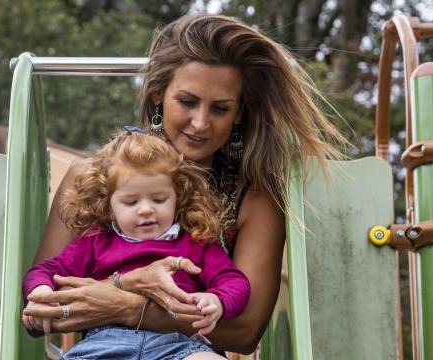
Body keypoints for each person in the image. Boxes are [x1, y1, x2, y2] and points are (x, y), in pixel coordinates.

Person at [23, 14, 346, 354]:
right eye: (188, 102)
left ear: (239, 113)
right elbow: (37, 311)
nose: (200, 123)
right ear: (159, 94)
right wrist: (127, 282)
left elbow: (245, 331)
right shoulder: (92, 178)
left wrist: (129, 307)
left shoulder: (253, 198)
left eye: (220, 108)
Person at [23, 130, 251, 359]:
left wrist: (217, 300)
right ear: (110, 208)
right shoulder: (94, 242)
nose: (146, 209)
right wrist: (40, 289)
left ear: (177, 197)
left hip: (177, 344)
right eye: (131, 202)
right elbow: (45, 270)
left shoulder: (195, 242)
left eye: (159, 199)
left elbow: (233, 280)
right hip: (105, 343)